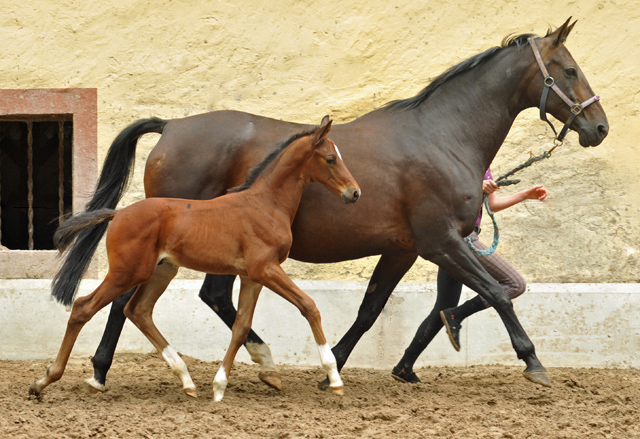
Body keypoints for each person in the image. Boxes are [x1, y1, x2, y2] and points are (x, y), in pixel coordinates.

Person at [392, 169, 548, 383]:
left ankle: (404, 366)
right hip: (464, 239)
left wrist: (523, 196)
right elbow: (441, 195)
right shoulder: (454, 158)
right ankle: (457, 314)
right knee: (515, 283)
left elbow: (490, 205)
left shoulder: (483, 164)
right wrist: (475, 188)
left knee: (443, 307)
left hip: (458, 239)